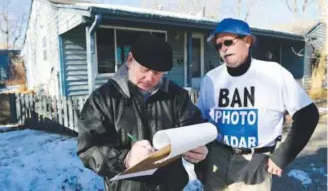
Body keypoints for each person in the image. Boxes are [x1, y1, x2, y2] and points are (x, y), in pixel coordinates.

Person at [196, 18, 319, 191]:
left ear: (247, 41)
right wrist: (201, 161)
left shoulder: (273, 73)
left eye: (229, 42)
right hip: (217, 158)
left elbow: (308, 114)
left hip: (254, 162)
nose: (223, 48)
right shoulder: (211, 78)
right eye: (218, 45)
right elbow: (200, 120)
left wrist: (281, 156)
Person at [77, 34, 208, 191]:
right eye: (144, 69)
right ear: (130, 60)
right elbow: (89, 148)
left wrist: (200, 149)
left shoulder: (177, 96)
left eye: (158, 73)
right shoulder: (104, 98)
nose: (150, 78)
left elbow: (194, 128)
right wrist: (124, 159)